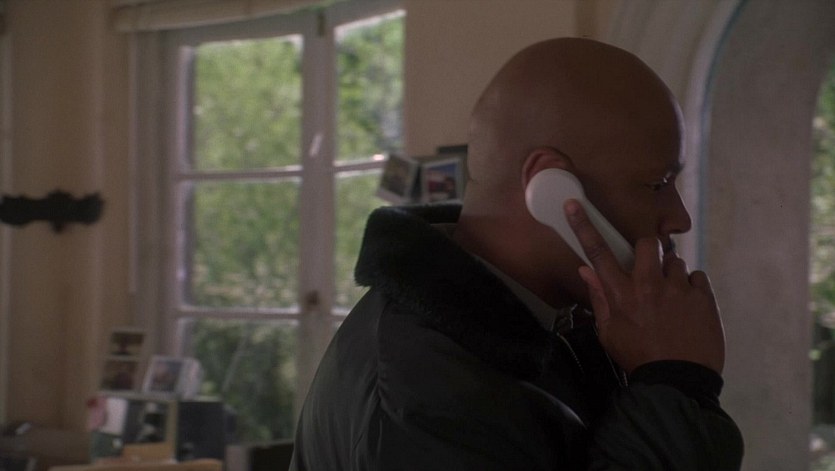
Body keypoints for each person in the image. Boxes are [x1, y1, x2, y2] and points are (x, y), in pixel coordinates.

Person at [290, 37, 743, 470]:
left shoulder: (566, 325)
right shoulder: (424, 393)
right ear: (552, 189)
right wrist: (675, 383)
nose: (680, 218)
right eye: (658, 184)